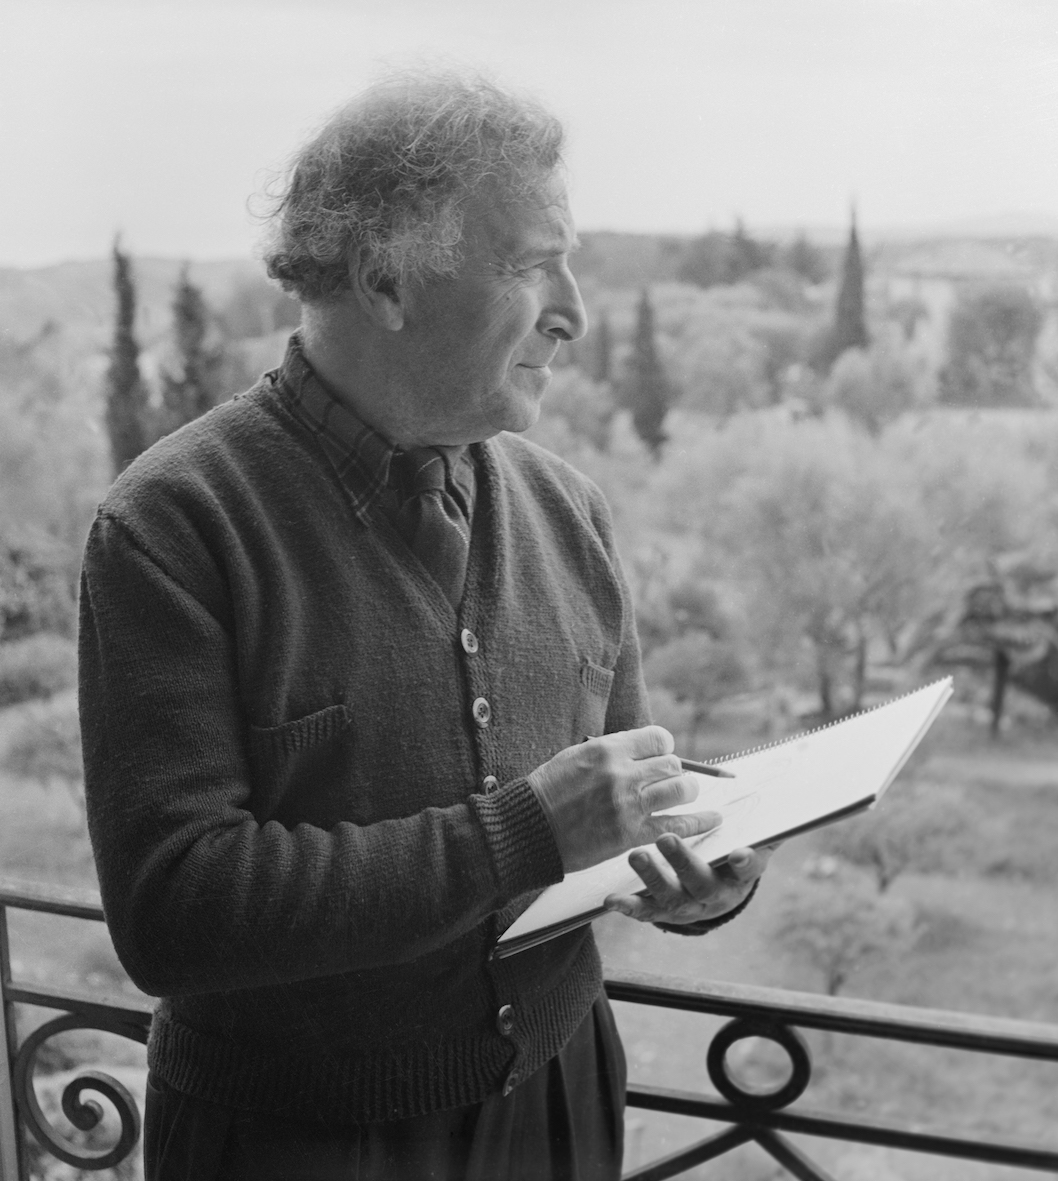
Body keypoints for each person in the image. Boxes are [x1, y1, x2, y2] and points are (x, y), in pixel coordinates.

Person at [78, 71, 771, 1181]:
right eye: (531, 264)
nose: (573, 311)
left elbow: (622, 801)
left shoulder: (571, 509)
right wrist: (523, 833)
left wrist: (702, 874)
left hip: (560, 1106)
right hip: (294, 1146)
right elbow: (174, 911)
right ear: (386, 280)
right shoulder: (173, 524)